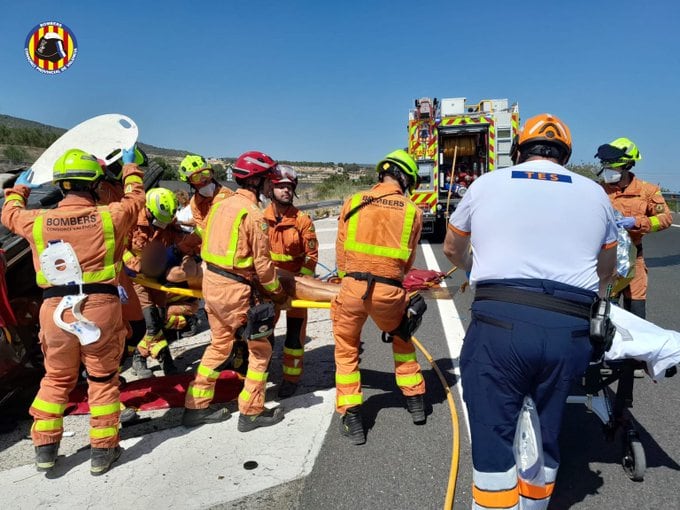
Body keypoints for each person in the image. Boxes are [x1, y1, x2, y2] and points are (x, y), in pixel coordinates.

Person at [443, 113, 618, 509]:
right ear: (565, 156)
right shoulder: (595, 193)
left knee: (493, 430)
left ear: (518, 151)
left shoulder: (487, 184)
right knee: (549, 424)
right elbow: (606, 270)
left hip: (500, 324)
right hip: (568, 329)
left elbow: (453, 248)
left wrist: (477, 272)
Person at [1, 147, 145, 475]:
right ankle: (103, 452)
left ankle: (45, 450)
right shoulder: (110, 216)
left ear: (61, 186)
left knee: (55, 378)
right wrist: (130, 167)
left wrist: (20, 188)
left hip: (54, 311)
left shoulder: (37, 221)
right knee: (102, 379)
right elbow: (136, 200)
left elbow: (8, 214)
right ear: (94, 186)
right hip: (100, 309)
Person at [183, 150, 288, 431]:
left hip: (212, 286)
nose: (272, 186)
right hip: (235, 291)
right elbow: (264, 268)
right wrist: (278, 294)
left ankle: (196, 406)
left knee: (219, 345)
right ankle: (251, 412)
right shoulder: (252, 215)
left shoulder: (220, 206)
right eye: (269, 180)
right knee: (260, 348)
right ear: (257, 181)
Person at [332, 149, 427, 446]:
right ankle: (416, 402)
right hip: (389, 291)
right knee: (402, 338)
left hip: (351, 289)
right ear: (405, 179)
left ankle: (353, 419)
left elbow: (341, 254)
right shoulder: (413, 211)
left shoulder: (354, 201)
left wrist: (350, 279)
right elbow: (408, 262)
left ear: (382, 174)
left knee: (346, 349)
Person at [125, 188, 201, 377]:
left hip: (156, 278)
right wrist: (137, 265)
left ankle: (161, 355)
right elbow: (120, 249)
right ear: (148, 210)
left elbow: (183, 242)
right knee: (149, 322)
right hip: (135, 280)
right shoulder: (130, 221)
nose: (160, 227)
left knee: (160, 318)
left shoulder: (168, 223)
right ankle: (142, 358)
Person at [595, 137, 672, 319]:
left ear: (627, 165)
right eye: (605, 166)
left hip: (634, 262)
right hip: (606, 262)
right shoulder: (598, 190)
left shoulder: (648, 191)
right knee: (603, 312)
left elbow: (665, 218)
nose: (607, 171)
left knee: (636, 314)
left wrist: (637, 222)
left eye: (612, 166)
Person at [263, 165, 319, 398]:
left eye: (289, 187)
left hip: (296, 287)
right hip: (268, 286)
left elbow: (311, 256)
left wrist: (301, 281)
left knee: (295, 336)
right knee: (264, 333)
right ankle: (261, 372)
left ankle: (291, 378)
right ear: (271, 189)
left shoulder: (302, 221)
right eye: (281, 186)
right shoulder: (260, 218)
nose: (286, 191)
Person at [178, 154, 233, 237]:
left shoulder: (229, 196)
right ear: (190, 182)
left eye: (205, 173)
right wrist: (181, 247)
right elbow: (201, 230)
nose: (203, 179)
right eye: (196, 177)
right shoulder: (195, 203)